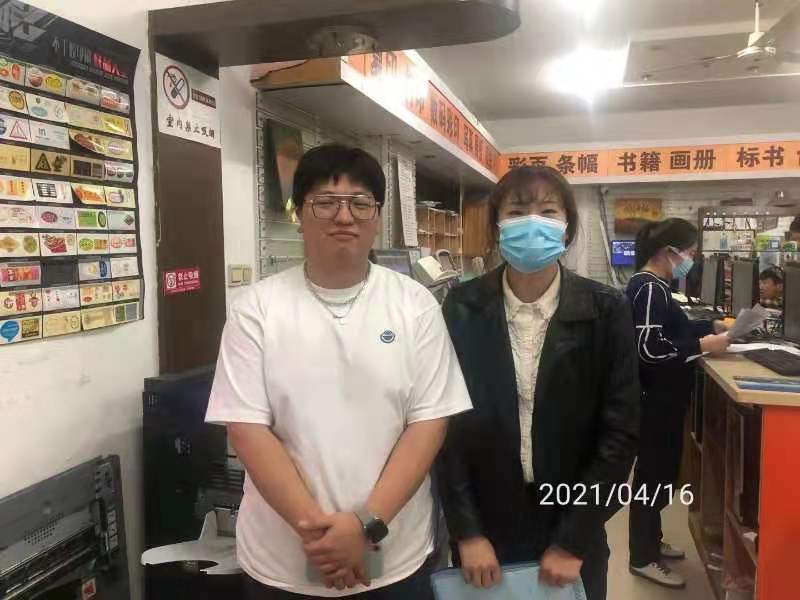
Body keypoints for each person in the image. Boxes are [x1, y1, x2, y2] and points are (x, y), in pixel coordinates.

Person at [205, 144, 472, 599]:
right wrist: (325, 539)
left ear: (377, 215)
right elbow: (246, 428)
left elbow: (429, 423)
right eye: (325, 202)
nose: (343, 216)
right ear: (299, 213)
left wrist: (365, 525)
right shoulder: (257, 309)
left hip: (395, 555)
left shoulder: (415, 305)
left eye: (360, 203)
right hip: (283, 560)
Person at [436, 165, 640, 600]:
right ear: (496, 228)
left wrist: (573, 539)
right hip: (486, 527)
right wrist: (466, 531)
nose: (532, 223)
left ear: (567, 228)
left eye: (548, 211)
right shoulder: (463, 306)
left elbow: (619, 433)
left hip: (574, 517)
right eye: (516, 211)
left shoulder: (605, 309)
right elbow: (448, 426)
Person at [626, 218, 731, 589]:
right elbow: (648, 348)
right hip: (654, 400)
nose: (691, 259)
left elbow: (671, 331)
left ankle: (651, 542)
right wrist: (702, 345)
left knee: (661, 473)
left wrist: (708, 328)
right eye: (689, 252)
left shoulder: (655, 287)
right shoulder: (648, 288)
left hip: (665, 399)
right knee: (652, 475)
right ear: (668, 251)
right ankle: (641, 557)